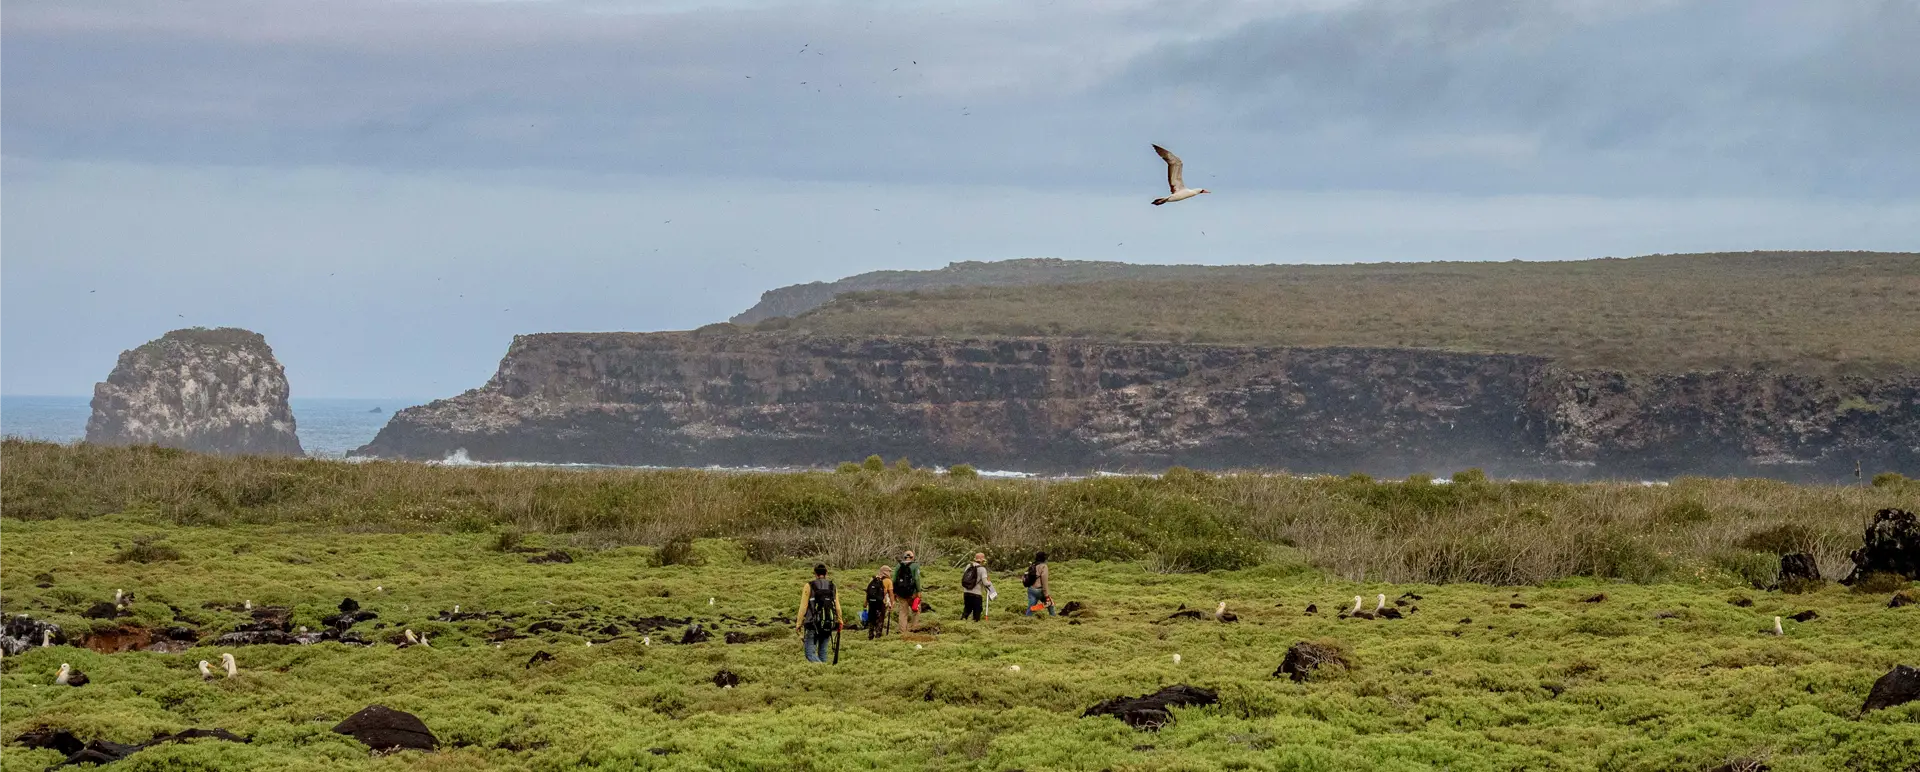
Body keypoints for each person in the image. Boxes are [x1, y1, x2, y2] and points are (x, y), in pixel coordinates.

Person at [795, 564, 842, 663]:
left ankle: (823, 670)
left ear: (815, 573)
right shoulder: (832, 586)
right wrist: (840, 620)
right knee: (823, 651)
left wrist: (798, 623)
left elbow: (803, 607)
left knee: (809, 653)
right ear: (826, 573)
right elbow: (837, 606)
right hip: (828, 623)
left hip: (812, 623)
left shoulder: (809, 585)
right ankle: (825, 676)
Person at [893, 550, 922, 633]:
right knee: (916, 610)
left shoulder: (899, 565)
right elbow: (917, 578)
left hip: (900, 593)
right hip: (912, 592)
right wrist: (919, 591)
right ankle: (914, 628)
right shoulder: (915, 566)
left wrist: (894, 592)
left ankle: (902, 631)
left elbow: (894, 579)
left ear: (904, 557)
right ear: (912, 557)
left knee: (903, 612)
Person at [960, 552, 993, 622]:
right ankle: (976, 625)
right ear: (982, 560)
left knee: (967, 609)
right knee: (977, 611)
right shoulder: (982, 569)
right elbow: (985, 583)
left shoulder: (968, 566)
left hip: (966, 592)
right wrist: (989, 582)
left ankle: (961, 622)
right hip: (976, 594)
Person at [864, 565, 894, 639]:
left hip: (871, 602)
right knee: (880, 619)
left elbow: (868, 592)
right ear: (886, 572)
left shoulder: (873, 579)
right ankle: (878, 635)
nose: (890, 573)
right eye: (889, 571)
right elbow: (891, 594)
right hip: (881, 603)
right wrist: (892, 604)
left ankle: (870, 635)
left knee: (871, 618)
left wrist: (866, 602)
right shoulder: (888, 581)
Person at [1023, 551, 1053, 616]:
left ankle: (1027, 619)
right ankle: (1053, 617)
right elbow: (1044, 581)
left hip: (1031, 589)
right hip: (1039, 591)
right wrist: (1046, 594)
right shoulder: (1044, 566)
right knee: (1050, 603)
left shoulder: (1033, 565)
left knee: (1031, 607)